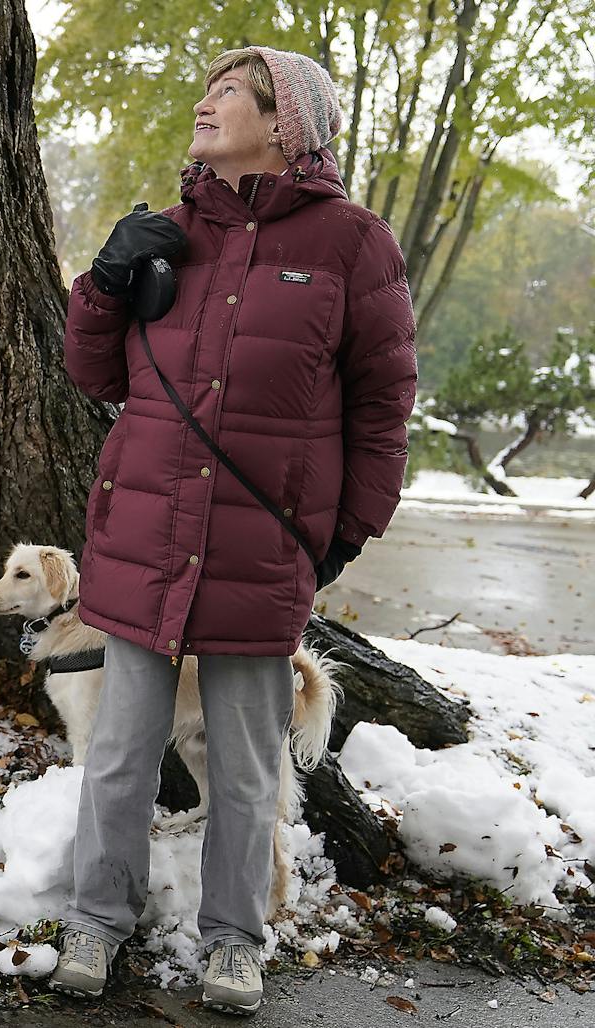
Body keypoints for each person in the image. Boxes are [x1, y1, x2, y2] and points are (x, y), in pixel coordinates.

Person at [50, 46, 418, 1016]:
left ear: (285, 122)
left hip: (263, 547)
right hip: (145, 535)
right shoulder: (164, 232)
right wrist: (103, 283)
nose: (205, 105)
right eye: (208, 90)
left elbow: (383, 406)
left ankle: (233, 941)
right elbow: (97, 374)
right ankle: (96, 921)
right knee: (122, 754)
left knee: (247, 768)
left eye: (229, 93)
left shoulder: (355, 244)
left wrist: (347, 532)